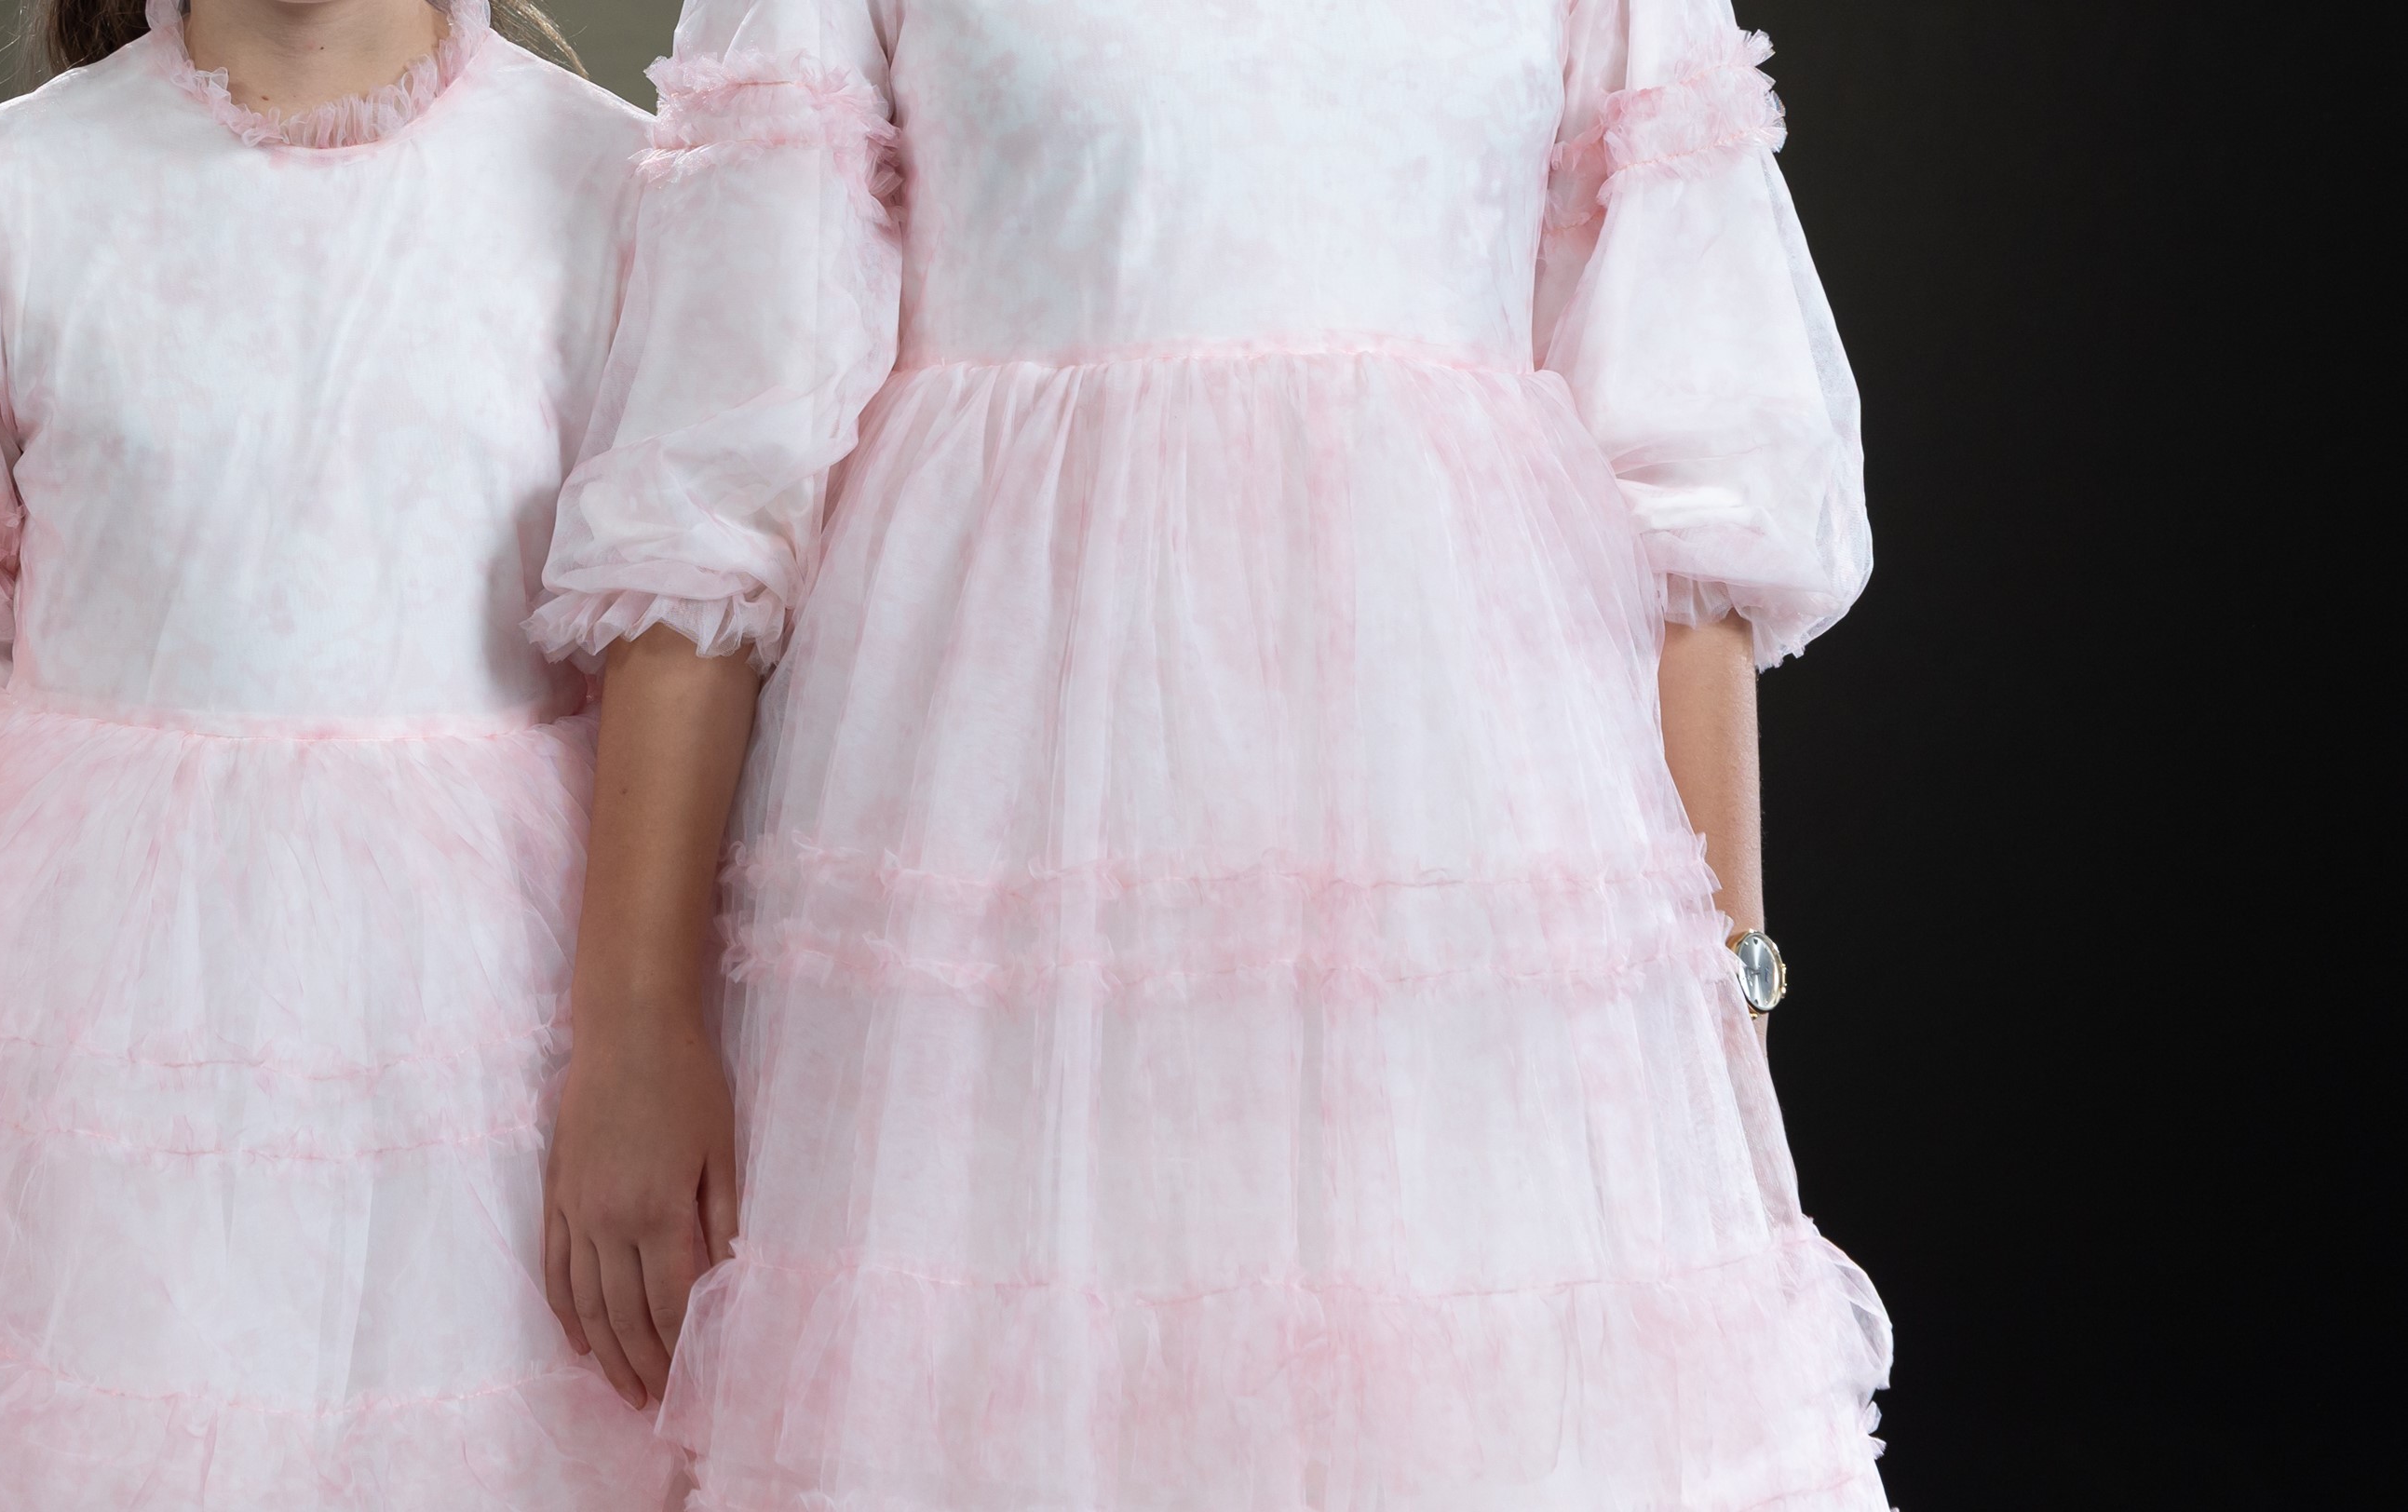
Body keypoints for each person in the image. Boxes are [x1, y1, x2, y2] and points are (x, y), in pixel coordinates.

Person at [532, 0, 1894, 1506]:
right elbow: (712, 476)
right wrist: (635, 1021)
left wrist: (1725, 1005)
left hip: (1463, 924)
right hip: (997, 932)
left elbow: (1690, 503)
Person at [0, 1, 678, 1505]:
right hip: (96, 1062)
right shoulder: (9, 190)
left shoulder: (616, 191)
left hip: (482, 1061)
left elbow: (657, 665)